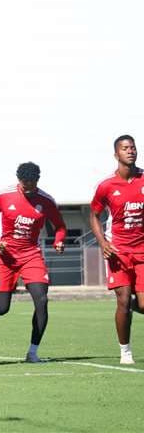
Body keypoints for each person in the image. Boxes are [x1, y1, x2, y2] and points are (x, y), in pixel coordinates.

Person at [0, 162, 66, 362]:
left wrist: (58, 241)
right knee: (1, 309)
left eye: (31, 182)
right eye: (24, 182)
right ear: (18, 179)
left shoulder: (46, 201)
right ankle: (2, 288)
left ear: (37, 180)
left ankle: (33, 352)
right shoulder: (3, 195)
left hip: (31, 255)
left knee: (42, 300)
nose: (27, 186)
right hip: (4, 255)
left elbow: (60, 226)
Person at [89, 135, 144, 365]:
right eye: (125, 148)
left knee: (142, 305)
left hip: (142, 251)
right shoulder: (106, 185)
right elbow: (94, 215)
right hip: (118, 251)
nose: (130, 151)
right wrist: (103, 243)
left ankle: (132, 304)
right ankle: (125, 351)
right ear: (116, 154)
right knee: (123, 300)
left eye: (133, 147)